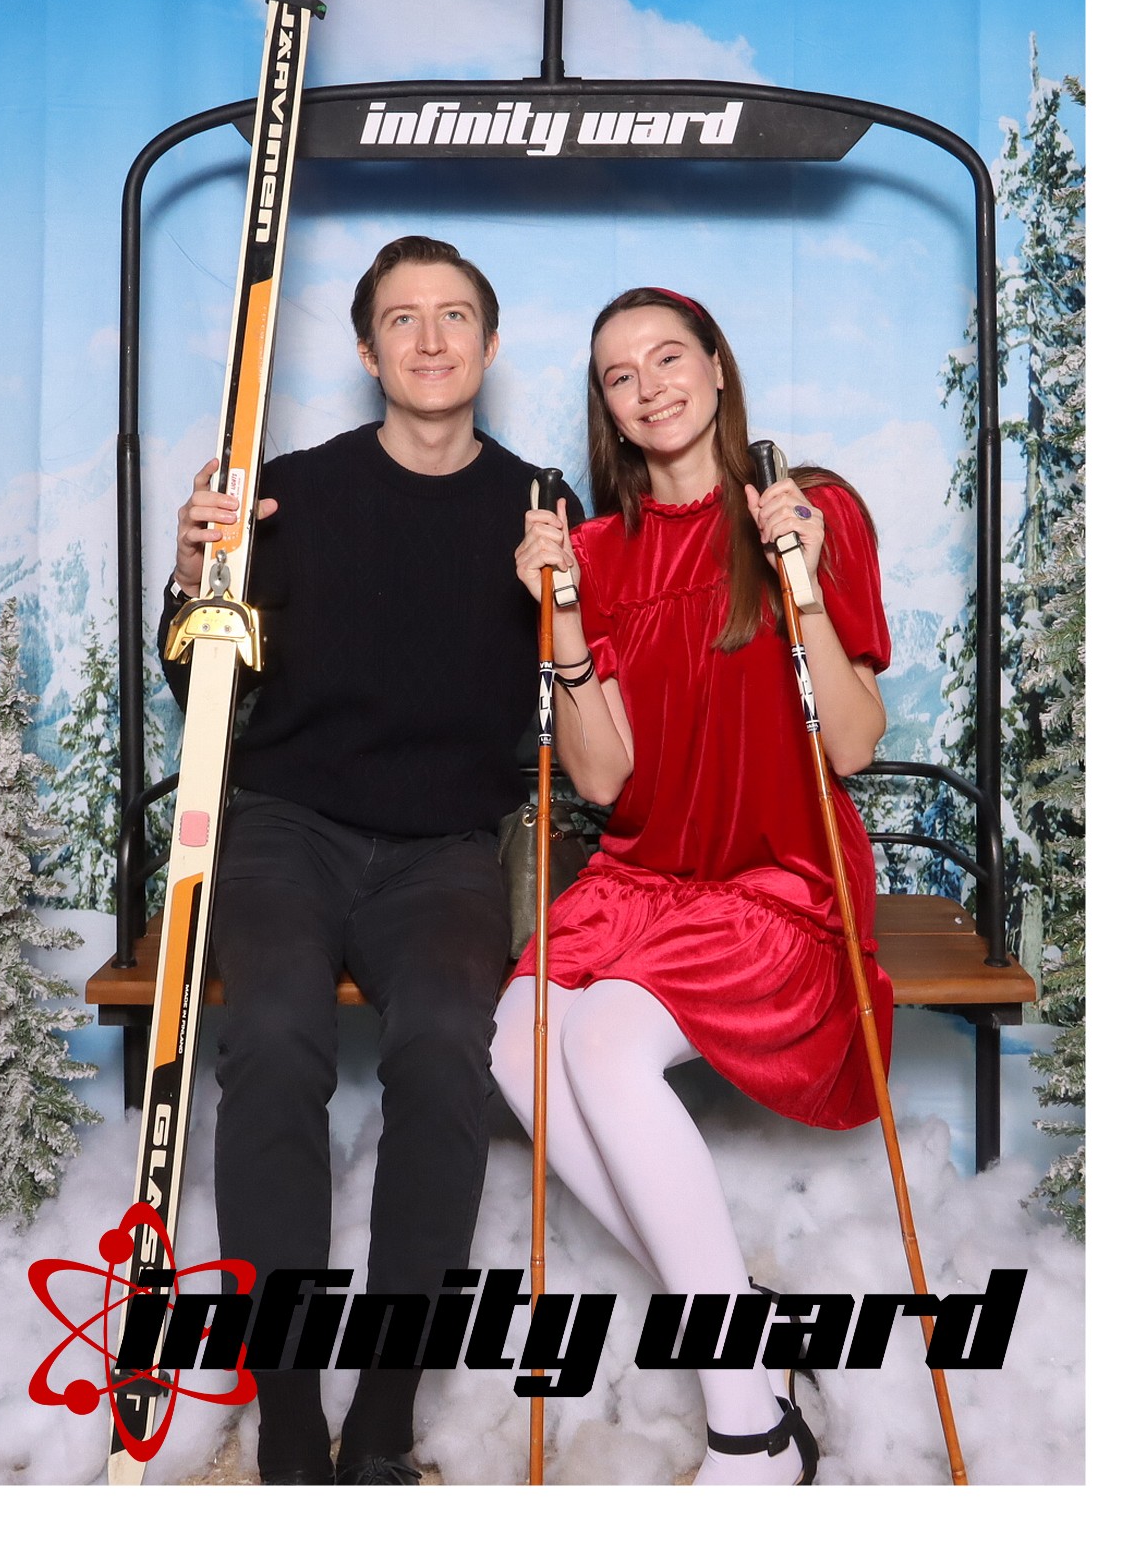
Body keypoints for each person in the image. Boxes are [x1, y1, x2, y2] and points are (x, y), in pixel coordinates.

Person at [160, 235, 579, 1486]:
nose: (431, 338)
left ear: (490, 345)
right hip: (289, 828)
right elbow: (201, 686)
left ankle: (386, 1403)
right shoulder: (291, 494)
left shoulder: (537, 506)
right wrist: (190, 576)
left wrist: (562, 599)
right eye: (403, 318)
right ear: (365, 348)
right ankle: (288, 1400)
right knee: (273, 1032)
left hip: (445, 851)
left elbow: (581, 697)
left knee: (447, 1043)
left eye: (455, 316)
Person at [492, 285, 894, 1487]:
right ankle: (742, 1319)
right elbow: (605, 780)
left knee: (605, 1041)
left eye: (670, 356)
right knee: (516, 1042)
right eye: (620, 375)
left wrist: (799, 579)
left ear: (718, 368)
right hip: (646, 875)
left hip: (779, 874)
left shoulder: (809, 510)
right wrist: (563, 620)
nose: (650, 385)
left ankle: (750, 1431)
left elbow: (854, 743)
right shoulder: (596, 554)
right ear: (605, 411)